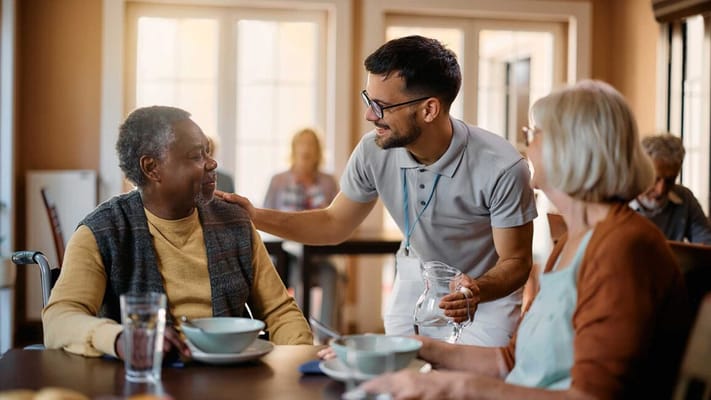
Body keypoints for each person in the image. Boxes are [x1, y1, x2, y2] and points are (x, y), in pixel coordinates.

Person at [360, 80, 691, 399]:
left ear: (571, 149)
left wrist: (454, 388)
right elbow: (511, 361)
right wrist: (414, 347)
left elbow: (591, 395)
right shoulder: (570, 242)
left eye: (533, 134)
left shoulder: (623, 247)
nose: (526, 145)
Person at [219, 35, 537, 347]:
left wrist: (477, 289)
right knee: (403, 382)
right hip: (416, 276)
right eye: (368, 100)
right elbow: (333, 224)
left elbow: (516, 261)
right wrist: (255, 216)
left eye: (382, 106)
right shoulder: (373, 149)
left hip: (484, 293)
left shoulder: (502, 167)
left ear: (429, 110)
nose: (370, 115)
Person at [42, 105, 313, 360]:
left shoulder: (235, 222)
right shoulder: (102, 231)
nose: (212, 163)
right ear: (151, 167)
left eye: (207, 152)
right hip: (145, 380)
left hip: (230, 378)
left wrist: (297, 364)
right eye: (196, 156)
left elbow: (280, 312)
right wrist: (121, 339)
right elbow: (59, 319)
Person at [263, 128, 341, 331]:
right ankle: (299, 330)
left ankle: (326, 334)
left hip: (320, 252)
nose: (306, 149)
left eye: (311, 144)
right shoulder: (278, 180)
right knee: (299, 272)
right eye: (302, 143)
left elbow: (337, 216)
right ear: (294, 148)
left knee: (332, 274)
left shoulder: (327, 181)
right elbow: (265, 216)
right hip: (288, 256)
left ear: (318, 151)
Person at [629, 133, 711, 244]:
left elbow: (706, 243)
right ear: (640, 170)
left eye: (670, 181)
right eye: (655, 179)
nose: (661, 190)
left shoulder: (685, 198)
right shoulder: (619, 201)